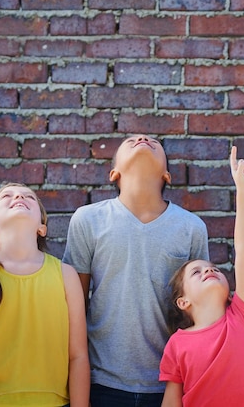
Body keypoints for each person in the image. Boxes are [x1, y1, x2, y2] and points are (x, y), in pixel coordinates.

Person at [63, 134, 209, 407]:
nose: (142, 139)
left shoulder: (191, 228)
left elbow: (200, 313)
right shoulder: (88, 220)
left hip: (170, 383)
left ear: (167, 175)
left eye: (155, 142)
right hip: (102, 380)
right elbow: (74, 306)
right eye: (130, 141)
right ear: (113, 173)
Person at [0, 183, 90, 407]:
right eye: (6, 196)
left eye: (29, 196)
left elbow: (78, 356)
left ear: (42, 227)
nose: (19, 196)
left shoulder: (66, 275)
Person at [159, 146, 244, 407]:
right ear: (183, 301)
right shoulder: (177, 344)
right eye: (197, 272)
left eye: (214, 268)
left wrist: (243, 191)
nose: (209, 270)